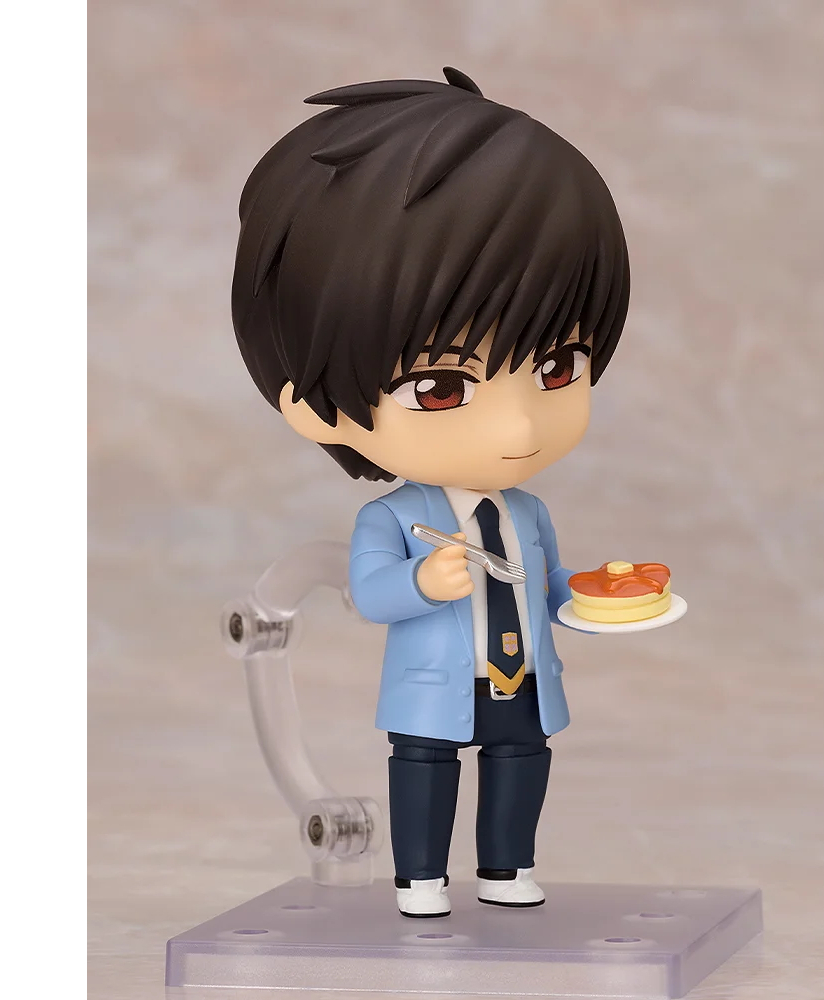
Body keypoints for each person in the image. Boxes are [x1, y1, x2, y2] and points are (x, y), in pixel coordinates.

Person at [231, 67, 629, 917]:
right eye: (442, 388)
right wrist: (424, 580)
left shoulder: (528, 512)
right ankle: (420, 879)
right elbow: (370, 596)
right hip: (430, 688)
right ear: (313, 407)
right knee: (425, 772)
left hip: (523, 684)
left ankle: (506, 870)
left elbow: (545, 585)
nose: (518, 426)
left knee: (520, 766)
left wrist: (589, 599)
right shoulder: (393, 517)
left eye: (559, 367)